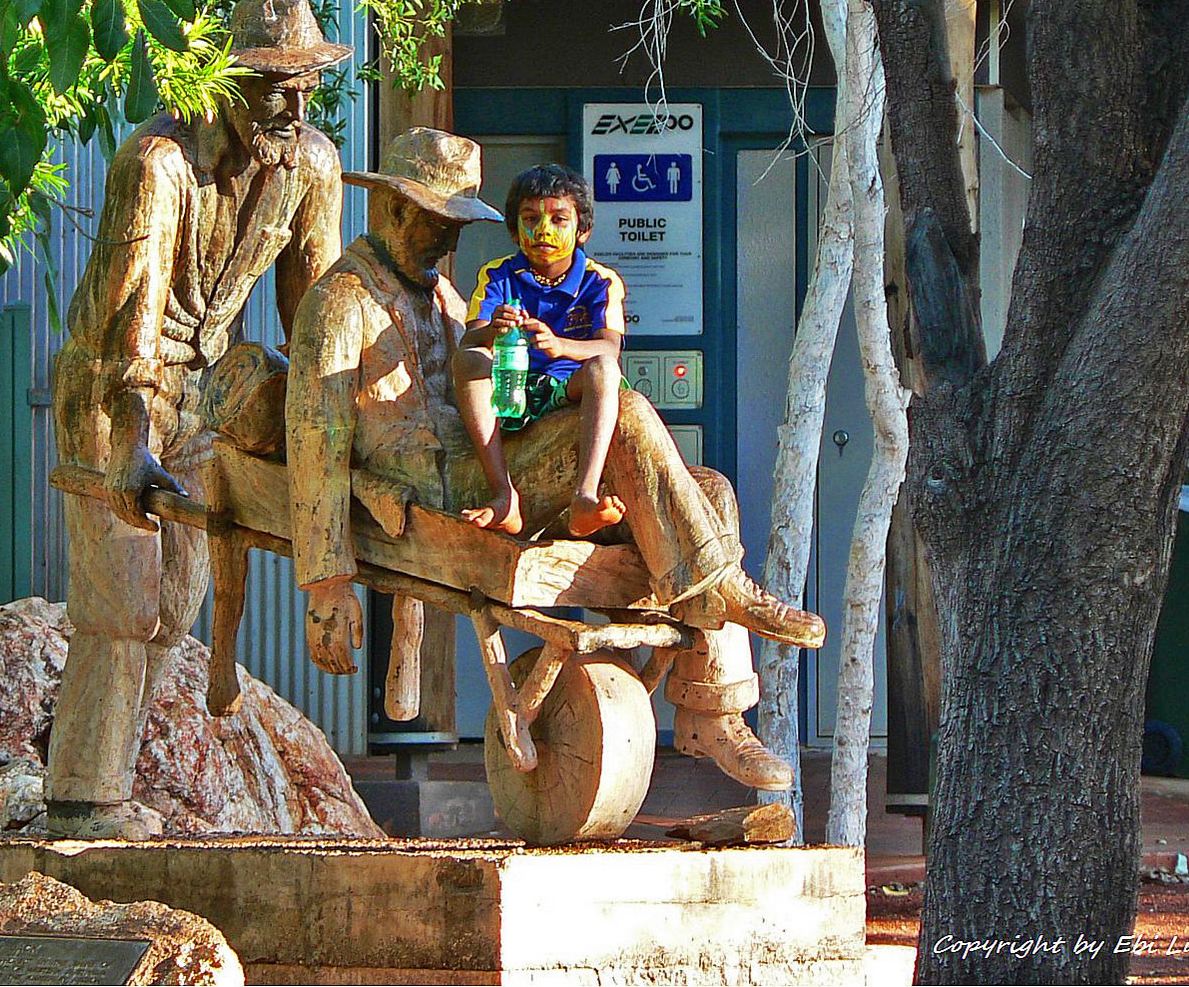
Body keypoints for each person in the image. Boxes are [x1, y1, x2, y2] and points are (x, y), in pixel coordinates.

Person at [286, 129, 823, 792]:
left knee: (705, 489)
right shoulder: (339, 302)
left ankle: (714, 713)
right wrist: (326, 586)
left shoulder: (442, 293)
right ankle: (723, 586)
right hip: (445, 491)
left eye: (461, 224)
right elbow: (314, 438)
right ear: (397, 210)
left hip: (503, 460)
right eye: (441, 224)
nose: (453, 241)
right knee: (623, 411)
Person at [47, 0, 350, 838]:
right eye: (274, 88)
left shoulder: (309, 165)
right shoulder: (157, 163)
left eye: (305, 88)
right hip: (115, 392)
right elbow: (126, 323)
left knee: (174, 608)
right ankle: (82, 797)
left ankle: (105, 782)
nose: (293, 107)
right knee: (122, 604)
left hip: (205, 393)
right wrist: (131, 445)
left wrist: (342, 429)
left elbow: (313, 315)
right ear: (222, 84)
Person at [455, 164, 626, 539]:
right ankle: (503, 494)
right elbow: (469, 343)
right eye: (530, 219)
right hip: (513, 390)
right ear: (515, 231)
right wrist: (492, 331)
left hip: (568, 388)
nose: (544, 230)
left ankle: (585, 496)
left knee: (604, 369)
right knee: (471, 359)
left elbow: (610, 347)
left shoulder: (601, 281)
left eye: (559, 219)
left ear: (583, 231)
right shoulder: (497, 275)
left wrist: (561, 345)